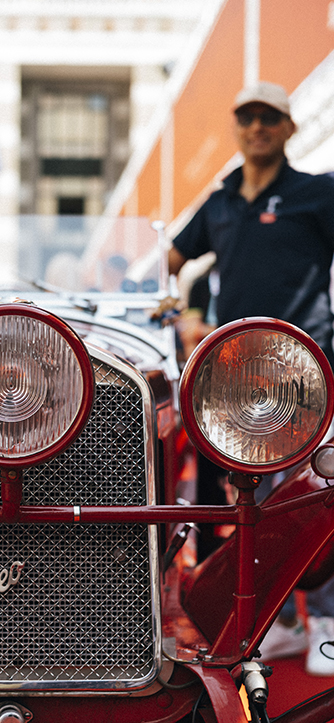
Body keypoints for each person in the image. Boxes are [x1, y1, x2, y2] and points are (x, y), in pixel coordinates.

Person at [168, 81, 334, 676]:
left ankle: (323, 622)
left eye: (271, 117)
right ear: (237, 127)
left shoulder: (319, 192)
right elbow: (174, 261)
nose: (258, 126)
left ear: (289, 128)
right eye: (249, 117)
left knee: (314, 490)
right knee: (237, 498)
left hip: (302, 368)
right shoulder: (219, 202)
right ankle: (255, 617)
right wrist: (183, 309)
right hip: (233, 377)